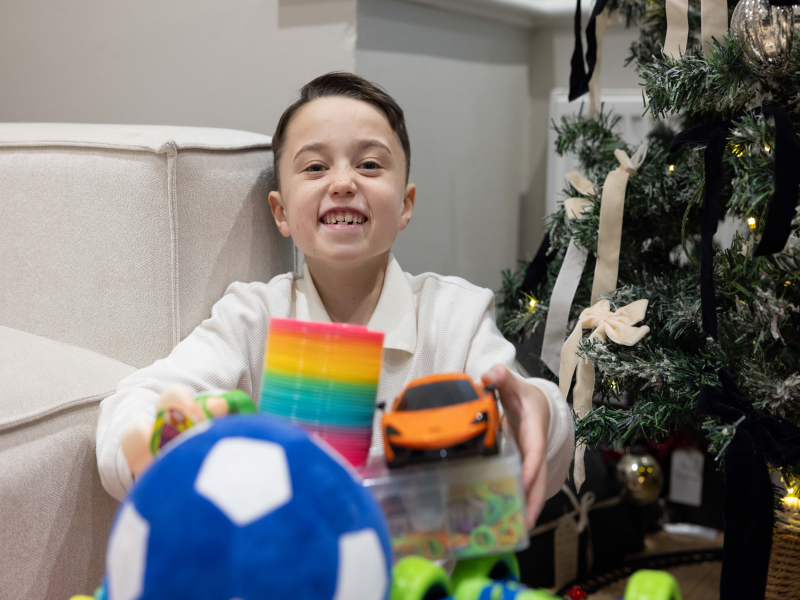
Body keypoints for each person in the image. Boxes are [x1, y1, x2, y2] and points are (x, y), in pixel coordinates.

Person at [96, 72, 574, 525]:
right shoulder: (253, 317)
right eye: (316, 166)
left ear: (405, 205)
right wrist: (155, 449)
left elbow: (541, 449)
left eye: (369, 165)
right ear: (281, 214)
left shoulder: (455, 317)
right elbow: (134, 401)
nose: (343, 182)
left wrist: (536, 412)